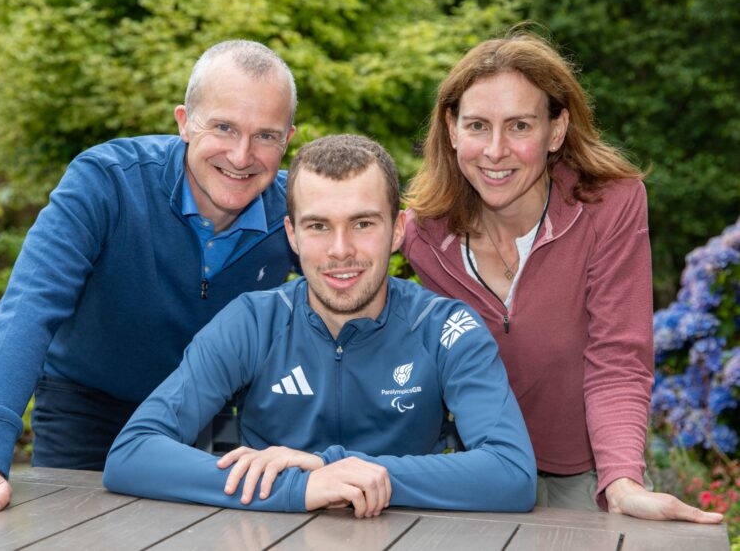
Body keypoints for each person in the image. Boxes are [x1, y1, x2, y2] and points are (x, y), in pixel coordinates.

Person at [0, 40, 298, 524]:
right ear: (184, 121)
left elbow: (358, 266)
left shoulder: (297, 215)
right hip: (87, 406)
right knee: (67, 531)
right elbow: (29, 306)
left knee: (223, 532)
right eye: (224, 127)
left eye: (266, 136)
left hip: (210, 414)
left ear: (288, 138)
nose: (241, 154)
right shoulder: (106, 182)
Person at [102, 134, 537, 515]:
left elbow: (512, 474)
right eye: (318, 226)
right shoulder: (253, 321)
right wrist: (299, 486)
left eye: (363, 223)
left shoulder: (444, 327)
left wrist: (342, 472)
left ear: (399, 229)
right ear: (291, 235)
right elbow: (133, 453)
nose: (340, 250)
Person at [402, 32, 723, 523]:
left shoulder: (609, 206)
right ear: (451, 129)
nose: (494, 150)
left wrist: (621, 481)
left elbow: (617, 357)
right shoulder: (423, 235)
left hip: (589, 474)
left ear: (556, 130)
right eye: (477, 126)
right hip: (481, 470)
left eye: (519, 126)